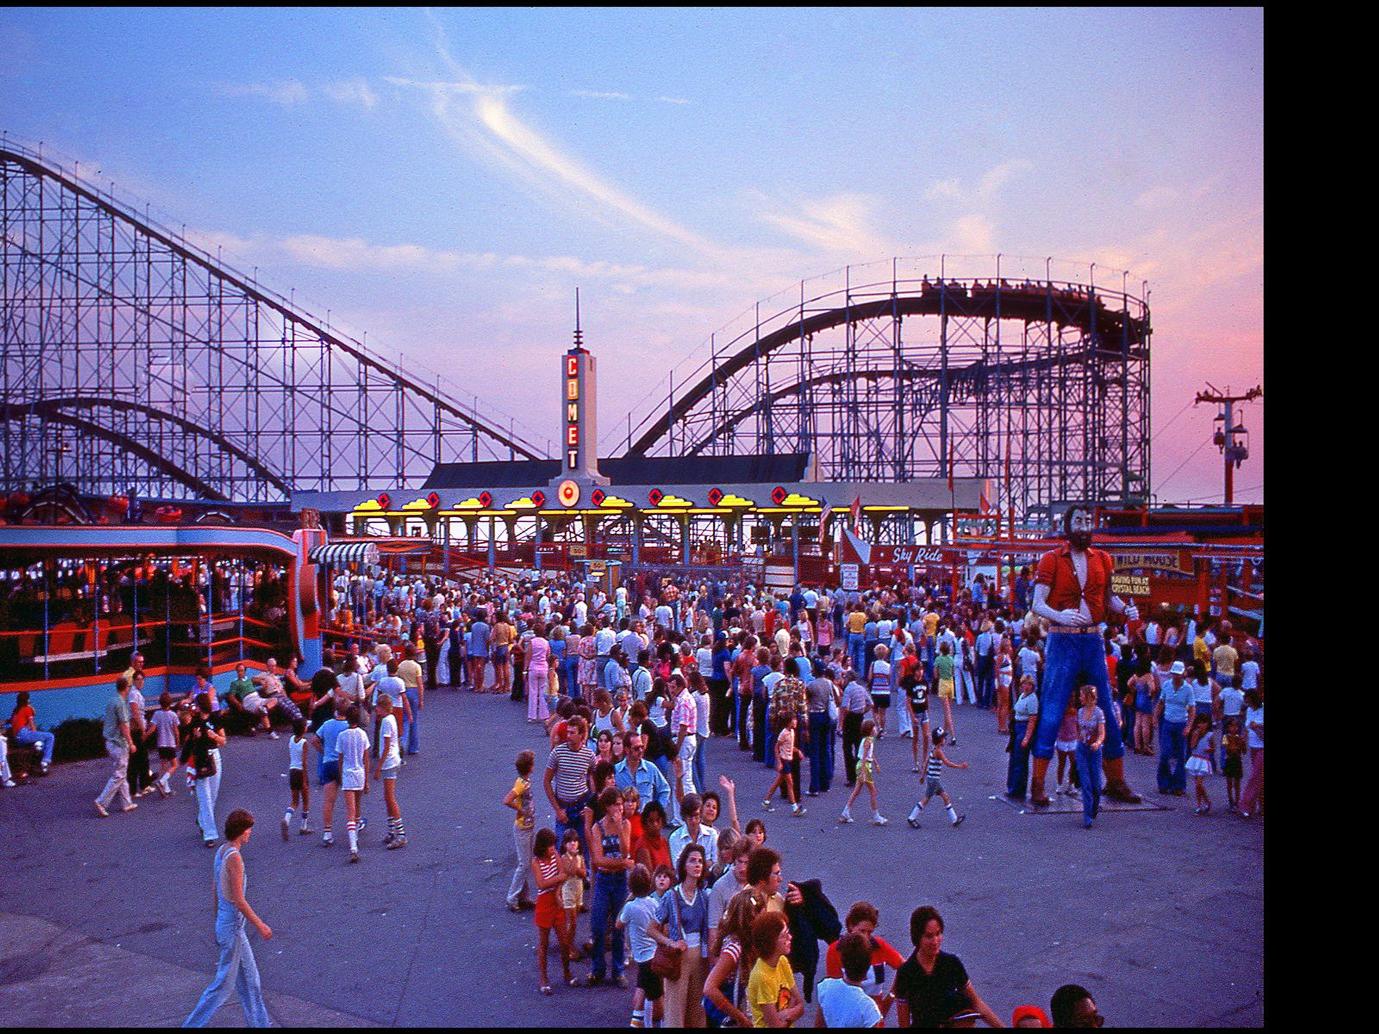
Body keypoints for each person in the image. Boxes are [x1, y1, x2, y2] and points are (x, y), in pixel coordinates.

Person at [1027, 504, 1141, 807]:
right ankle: (1037, 784)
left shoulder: (1102, 559)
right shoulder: (1051, 559)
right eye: (1078, 521)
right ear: (1067, 526)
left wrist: (1124, 609)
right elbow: (1036, 603)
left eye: (1087, 521)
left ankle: (1116, 781)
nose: (1084, 526)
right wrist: (1060, 616)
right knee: (1052, 711)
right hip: (1062, 640)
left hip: (1092, 640)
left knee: (1106, 709)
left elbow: (1107, 598)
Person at [183, 809, 272, 1027]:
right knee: (222, 986)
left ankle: (261, 1024)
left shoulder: (222, 851)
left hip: (229, 926)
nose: (250, 833)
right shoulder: (235, 858)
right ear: (241, 831)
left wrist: (217, 921)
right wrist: (260, 925)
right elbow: (239, 900)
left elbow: (216, 889)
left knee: (251, 981)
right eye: (249, 828)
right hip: (232, 928)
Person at [888, 905, 1002, 1029]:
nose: (935, 941)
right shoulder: (906, 973)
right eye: (929, 936)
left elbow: (976, 1003)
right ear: (917, 937)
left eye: (938, 934)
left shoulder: (952, 964)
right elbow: (903, 1022)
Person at [649, 843, 713, 1027]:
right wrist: (670, 942)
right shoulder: (671, 896)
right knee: (675, 1011)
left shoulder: (703, 895)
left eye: (700, 861)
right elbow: (651, 928)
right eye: (692, 861)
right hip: (678, 958)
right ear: (684, 865)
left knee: (697, 1011)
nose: (697, 865)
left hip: (699, 958)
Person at [823, 901, 905, 1022]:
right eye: (862, 931)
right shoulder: (835, 950)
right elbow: (835, 992)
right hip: (848, 1020)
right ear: (851, 926)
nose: (866, 937)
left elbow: (906, 968)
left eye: (870, 932)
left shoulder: (879, 946)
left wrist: (891, 996)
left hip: (875, 1019)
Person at [587, 786, 634, 988]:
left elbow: (625, 851)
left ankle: (618, 970)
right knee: (597, 925)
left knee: (618, 927)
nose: (620, 808)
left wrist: (620, 827)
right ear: (606, 807)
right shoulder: (597, 828)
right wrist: (622, 864)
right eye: (615, 804)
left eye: (620, 803)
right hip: (605, 881)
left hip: (620, 880)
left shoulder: (626, 824)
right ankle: (598, 968)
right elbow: (598, 860)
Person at [617, 863, 664, 1028]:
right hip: (655, 954)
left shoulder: (630, 906)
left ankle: (644, 1023)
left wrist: (627, 899)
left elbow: (618, 924)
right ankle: (639, 1022)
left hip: (642, 958)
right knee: (645, 991)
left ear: (631, 886)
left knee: (653, 998)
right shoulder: (654, 903)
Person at [531, 827, 576, 994]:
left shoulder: (555, 855)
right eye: (549, 847)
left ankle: (567, 972)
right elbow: (541, 884)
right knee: (544, 943)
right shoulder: (536, 862)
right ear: (542, 847)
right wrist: (557, 879)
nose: (553, 849)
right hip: (544, 903)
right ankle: (544, 979)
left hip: (555, 901)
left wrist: (556, 886)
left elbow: (561, 874)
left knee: (564, 942)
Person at [746, 910, 805, 1027]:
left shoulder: (782, 961)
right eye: (784, 935)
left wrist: (787, 1014)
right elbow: (775, 1025)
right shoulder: (762, 977)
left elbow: (800, 1005)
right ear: (771, 942)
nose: (790, 937)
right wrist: (792, 1014)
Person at [817, 931, 884, 1027]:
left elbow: (819, 1025)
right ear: (867, 966)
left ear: (843, 962)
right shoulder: (869, 1008)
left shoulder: (826, 987)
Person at [94, 675, 137, 818]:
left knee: (121, 772)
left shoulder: (112, 701)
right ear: (127, 687)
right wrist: (131, 743)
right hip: (119, 743)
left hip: (109, 742)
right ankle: (102, 801)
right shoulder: (121, 704)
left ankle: (127, 803)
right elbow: (124, 725)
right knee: (119, 775)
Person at [906, 728, 966, 830]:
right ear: (940, 740)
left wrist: (922, 776)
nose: (945, 739)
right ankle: (912, 817)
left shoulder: (933, 749)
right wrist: (960, 766)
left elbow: (926, 763)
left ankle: (954, 819)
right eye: (944, 738)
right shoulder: (938, 752)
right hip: (934, 780)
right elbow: (947, 763)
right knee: (926, 799)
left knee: (945, 797)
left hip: (932, 779)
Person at [1154, 661, 1195, 796]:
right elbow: (1161, 703)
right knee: (1165, 753)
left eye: (1178, 674)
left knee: (1180, 755)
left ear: (1182, 674)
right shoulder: (1166, 685)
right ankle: (1164, 783)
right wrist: (1155, 718)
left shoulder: (1188, 689)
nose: (1176, 677)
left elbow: (1192, 709)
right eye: (1174, 674)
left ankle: (1179, 785)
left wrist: (1189, 726)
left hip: (1181, 723)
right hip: (1167, 722)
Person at [373, 694, 407, 849]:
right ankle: (392, 830)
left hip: (388, 762)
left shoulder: (386, 722)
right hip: (393, 759)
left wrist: (378, 767)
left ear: (382, 707)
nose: (376, 710)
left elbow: (386, 746)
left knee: (390, 797)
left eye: (378, 707)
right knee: (387, 798)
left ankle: (401, 834)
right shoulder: (391, 718)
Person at [505, 749, 537, 911]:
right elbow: (507, 799)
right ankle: (512, 897)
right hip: (523, 826)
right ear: (529, 766)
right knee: (524, 864)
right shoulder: (521, 784)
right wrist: (521, 810)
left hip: (528, 825)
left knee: (527, 862)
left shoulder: (525, 781)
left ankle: (523, 895)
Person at [840, 719, 885, 825]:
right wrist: (864, 772)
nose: (876, 729)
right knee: (873, 792)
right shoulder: (868, 741)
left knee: (856, 791)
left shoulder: (868, 740)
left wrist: (876, 763)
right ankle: (876, 816)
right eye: (874, 727)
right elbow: (865, 756)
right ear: (870, 730)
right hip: (864, 766)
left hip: (862, 766)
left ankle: (845, 812)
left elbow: (870, 754)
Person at [1074, 684, 1105, 829]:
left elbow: (1102, 732)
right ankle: (1087, 817)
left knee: (1096, 785)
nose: (1079, 698)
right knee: (1086, 784)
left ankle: (1094, 806)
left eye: (1081, 695)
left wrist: (1098, 743)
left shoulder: (1098, 713)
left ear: (1088, 697)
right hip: (1082, 749)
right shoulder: (1080, 712)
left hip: (1094, 751)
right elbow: (1078, 729)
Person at [763, 712, 805, 817]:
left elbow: (789, 746)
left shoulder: (792, 732)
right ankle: (795, 808)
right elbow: (776, 747)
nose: (796, 721)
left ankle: (766, 800)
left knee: (777, 782)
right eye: (793, 720)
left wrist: (797, 751)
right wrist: (779, 762)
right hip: (784, 760)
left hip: (788, 760)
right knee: (790, 784)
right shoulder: (784, 733)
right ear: (788, 722)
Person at [1006, 676, 1039, 800]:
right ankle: (1012, 787)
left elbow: (1032, 719)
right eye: (1025, 684)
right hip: (1017, 727)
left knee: (1020, 760)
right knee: (1013, 758)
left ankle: (1018, 790)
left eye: (1029, 684)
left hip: (1024, 728)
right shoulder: (1022, 696)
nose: (1026, 686)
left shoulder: (1032, 699)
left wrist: (1027, 737)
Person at [281, 717, 312, 838]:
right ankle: (303, 826)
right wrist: (305, 778)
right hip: (300, 772)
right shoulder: (304, 743)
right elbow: (304, 762)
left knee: (294, 801)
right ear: (303, 729)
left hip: (292, 771)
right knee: (305, 801)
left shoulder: (291, 740)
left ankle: (287, 818)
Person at [8, 691, 54, 773]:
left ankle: (35, 765)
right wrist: (35, 733)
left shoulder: (16, 710)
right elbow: (32, 724)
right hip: (23, 734)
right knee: (50, 736)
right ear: (27, 700)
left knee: (39, 744)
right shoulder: (27, 708)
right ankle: (45, 761)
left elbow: (13, 722)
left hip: (17, 738)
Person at [1239, 690, 1264, 819]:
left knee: (1254, 776)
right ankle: (1260, 805)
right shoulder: (1249, 710)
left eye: (1248, 700)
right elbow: (1247, 728)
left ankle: (1245, 805)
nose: (1247, 703)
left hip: (1262, 746)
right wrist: (1242, 738)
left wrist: (1258, 726)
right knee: (1259, 777)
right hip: (1253, 746)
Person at [1185, 712, 1215, 816]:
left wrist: (1210, 749)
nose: (1201, 725)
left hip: (1203, 760)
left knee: (1199, 783)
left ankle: (1206, 802)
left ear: (1208, 724)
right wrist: (1196, 736)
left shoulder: (1210, 735)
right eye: (1200, 723)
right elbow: (1192, 746)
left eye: (1204, 723)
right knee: (1197, 785)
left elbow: (1213, 748)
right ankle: (1199, 805)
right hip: (1195, 759)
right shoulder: (1195, 733)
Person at [1221, 718, 1245, 812]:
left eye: (1236, 726)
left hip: (1237, 761)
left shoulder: (1239, 738)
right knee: (1229, 783)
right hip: (1229, 761)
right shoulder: (1225, 737)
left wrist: (1242, 743)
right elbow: (1227, 749)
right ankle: (1231, 801)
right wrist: (1236, 743)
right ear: (1227, 727)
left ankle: (1237, 801)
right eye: (1231, 726)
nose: (1234, 728)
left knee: (1237, 783)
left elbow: (1244, 751)